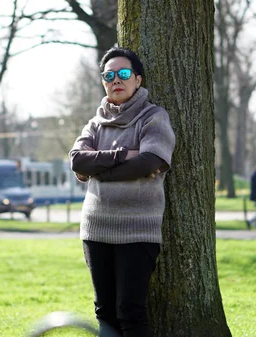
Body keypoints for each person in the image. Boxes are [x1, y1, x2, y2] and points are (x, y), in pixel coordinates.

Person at [69, 47, 176, 337]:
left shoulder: (153, 118)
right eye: (109, 75)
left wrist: (99, 169)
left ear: (138, 80)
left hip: (138, 229)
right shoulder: (95, 123)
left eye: (124, 73)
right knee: (104, 311)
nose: (116, 79)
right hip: (96, 229)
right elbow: (77, 160)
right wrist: (123, 155)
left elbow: (150, 161)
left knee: (131, 310)